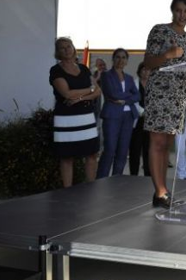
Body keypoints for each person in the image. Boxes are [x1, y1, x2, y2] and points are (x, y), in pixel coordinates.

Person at [143, 0, 186, 208]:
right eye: (178, 10)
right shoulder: (160, 30)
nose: (182, 15)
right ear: (172, 10)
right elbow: (148, 62)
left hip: (178, 96)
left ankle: (161, 192)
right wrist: (168, 54)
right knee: (156, 142)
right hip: (160, 94)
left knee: (166, 145)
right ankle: (161, 191)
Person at [50, 37, 101, 187]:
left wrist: (79, 98)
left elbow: (98, 91)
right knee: (67, 157)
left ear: (73, 48)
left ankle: (90, 188)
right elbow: (66, 94)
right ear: (57, 52)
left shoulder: (84, 69)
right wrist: (89, 90)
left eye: (69, 46)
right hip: (66, 119)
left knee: (91, 154)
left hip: (86, 118)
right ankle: (68, 191)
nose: (66, 49)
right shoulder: (56, 70)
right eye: (62, 47)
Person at [97, 48, 140, 178]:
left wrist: (124, 101)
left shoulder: (129, 78)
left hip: (128, 117)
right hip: (112, 116)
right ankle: (100, 180)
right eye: (118, 57)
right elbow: (112, 94)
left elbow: (138, 95)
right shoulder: (106, 75)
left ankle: (116, 181)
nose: (120, 60)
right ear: (113, 59)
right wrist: (129, 96)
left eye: (123, 57)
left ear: (126, 61)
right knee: (110, 150)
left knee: (122, 151)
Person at [129, 62, 151, 176]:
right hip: (137, 120)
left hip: (150, 122)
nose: (146, 72)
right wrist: (143, 112)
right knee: (135, 150)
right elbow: (132, 101)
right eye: (143, 70)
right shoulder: (134, 83)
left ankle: (148, 174)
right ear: (139, 71)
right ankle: (134, 174)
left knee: (148, 150)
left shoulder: (154, 85)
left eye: (148, 70)